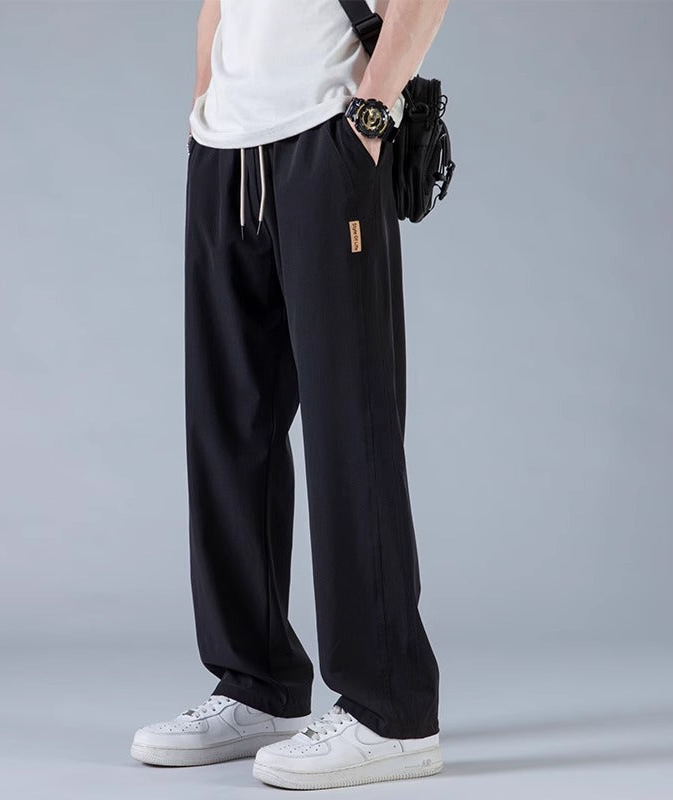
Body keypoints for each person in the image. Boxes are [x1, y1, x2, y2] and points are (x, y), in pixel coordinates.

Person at [131, 0, 449, 789]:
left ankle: (392, 707)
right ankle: (257, 683)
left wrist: (371, 116)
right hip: (224, 149)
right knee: (228, 425)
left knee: (350, 424)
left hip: (326, 134)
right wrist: (204, 111)